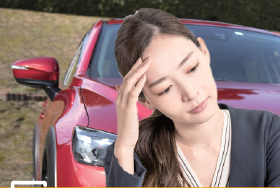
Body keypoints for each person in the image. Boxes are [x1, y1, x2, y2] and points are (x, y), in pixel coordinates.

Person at [104, 8, 280, 187]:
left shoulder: (270, 132)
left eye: (192, 68)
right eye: (165, 89)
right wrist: (125, 148)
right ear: (145, 100)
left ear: (204, 51)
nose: (190, 92)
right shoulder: (127, 155)